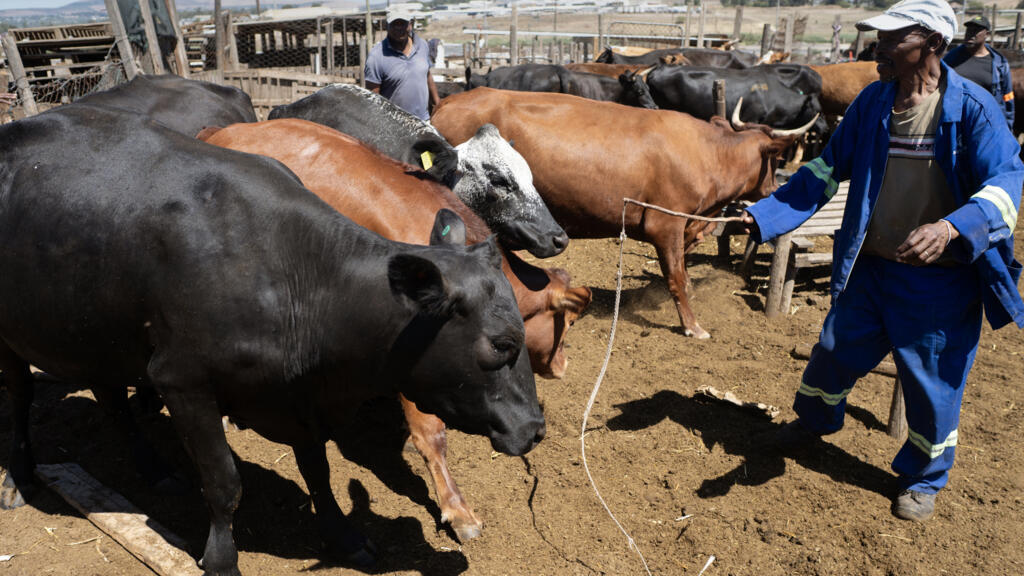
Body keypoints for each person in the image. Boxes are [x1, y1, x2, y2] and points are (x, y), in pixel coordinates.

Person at [742, 0, 1023, 523]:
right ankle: (813, 424)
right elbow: (825, 171)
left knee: (931, 385)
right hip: (871, 267)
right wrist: (764, 216)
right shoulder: (873, 102)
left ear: (933, 44)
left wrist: (951, 227)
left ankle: (923, 477)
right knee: (833, 352)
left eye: (894, 39)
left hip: (939, 282)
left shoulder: (973, 109)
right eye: (880, 38)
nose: (879, 49)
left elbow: (1007, 185)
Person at [364, 9, 440, 122]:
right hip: (396, 125)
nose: (398, 28)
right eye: (394, 24)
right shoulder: (377, 56)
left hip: (424, 120)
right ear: (387, 26)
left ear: (410, 25)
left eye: (402, 24)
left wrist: (437, 104)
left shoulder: (422, 45)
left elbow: (427, 75)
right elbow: (373, 97)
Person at [943, 15, 1014, 132]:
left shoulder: (999, 64)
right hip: (955, 121)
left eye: (976, 30)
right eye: (968, 29)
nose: (970, 33)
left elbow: (1007, 97)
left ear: (987, 34)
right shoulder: (951, 58)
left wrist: (1007, 128)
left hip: (985, 123)